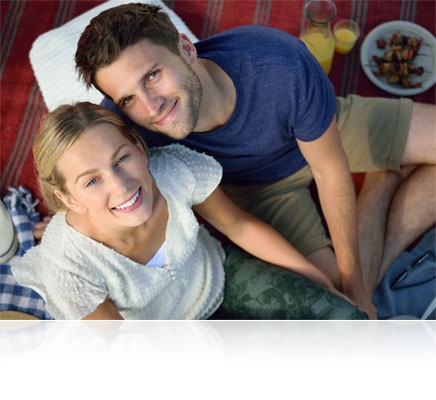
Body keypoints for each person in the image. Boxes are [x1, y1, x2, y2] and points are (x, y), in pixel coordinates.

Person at [74, 4, 436, 320]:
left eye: (153, 75)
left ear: (186, 49)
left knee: (354, 290)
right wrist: (75, 219)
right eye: (128, 98)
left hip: (324, 136)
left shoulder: (280, 62)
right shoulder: (124, 124)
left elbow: (330, 171)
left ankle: (381, 184)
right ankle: (382, 180)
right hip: (257, 191)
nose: (151, 107)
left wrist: (358, 284)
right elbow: (87, 172)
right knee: (337, 297)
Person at [11, 102, 364, 320]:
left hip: (221, 280)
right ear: (69, 199)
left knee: (347, 318)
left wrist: (316, 277)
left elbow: (239, 226)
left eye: (122, 159)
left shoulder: (174, 172)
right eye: (91, 182)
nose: (120, 186)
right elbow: (122, 349)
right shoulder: (66, 267)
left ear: (138, 146)